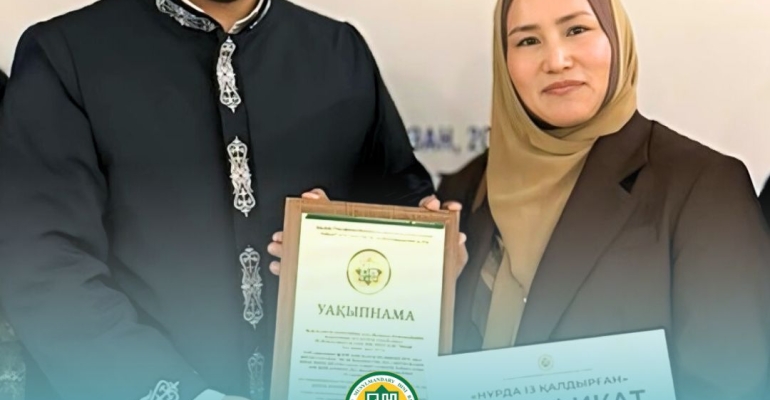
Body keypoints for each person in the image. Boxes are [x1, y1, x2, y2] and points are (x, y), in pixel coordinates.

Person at [0, 0, 438, 399]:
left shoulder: (338, 50)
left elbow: (402, 209)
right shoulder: (67, 53)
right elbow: (43, 262)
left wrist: (426, 257)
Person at [435, 0, 770, 399]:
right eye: (527, 41)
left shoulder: (702, 185)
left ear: (616, 39)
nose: (556, 60)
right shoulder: (464, 192)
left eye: (576, 30)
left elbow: (731, 380)